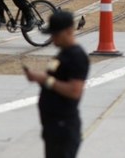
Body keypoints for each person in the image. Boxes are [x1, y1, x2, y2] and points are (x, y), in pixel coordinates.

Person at [22, 11, 89, 158]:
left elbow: (74, 90)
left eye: (56, 34)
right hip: (53, 125)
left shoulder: (77, 57)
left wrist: (46, 80)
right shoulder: (62, 53)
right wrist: (39, 78)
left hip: (63, 126)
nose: (52, 39)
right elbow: (54, 79)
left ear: (69, 31)